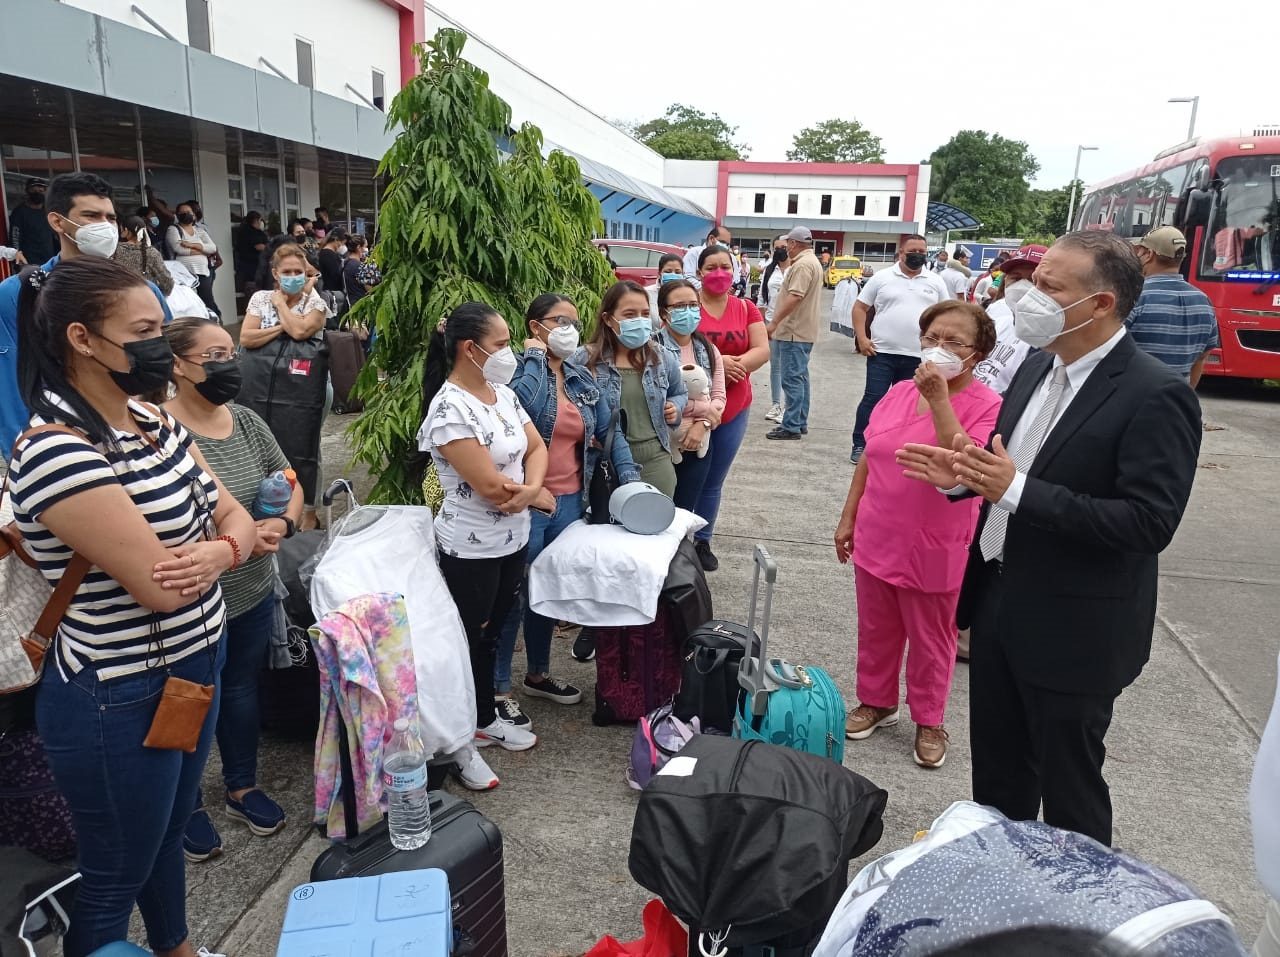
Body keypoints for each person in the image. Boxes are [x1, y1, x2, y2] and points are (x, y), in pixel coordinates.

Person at [896, 230, 1202, 846]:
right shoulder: (1039, 365)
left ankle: (1078, 908)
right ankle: (1003, 884)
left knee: (1069, 791)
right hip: (1000, 604)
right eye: (1033, 282)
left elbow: (1148, 523)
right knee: (999, 777)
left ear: (1099, 305)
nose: (1028, 297)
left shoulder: (1155, 395)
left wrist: (1014, 489)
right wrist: (966, 478)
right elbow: (1010, 463)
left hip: (1076, 628)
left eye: (1049, 287)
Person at [8, 257, 257, 957]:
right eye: (144, 331)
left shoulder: (151, 419)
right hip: (118, 691)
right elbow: (158, 582)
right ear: (83, 339)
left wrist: (222, 552)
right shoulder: (57, 450)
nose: (160, 347)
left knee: (166, 832)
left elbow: (233, 512)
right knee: (116, 865)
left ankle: (174, 946)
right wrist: (223, 547)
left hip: (191, 661)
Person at [834, 301, 1000, 769]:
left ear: (978, 353)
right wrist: (849, 517)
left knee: (932, 637)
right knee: (877, 626)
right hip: (878, 528)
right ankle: (876, 700)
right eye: (932, 339)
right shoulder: (898, 392)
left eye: (954, 342)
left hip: (936, 539)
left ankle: (930, 720)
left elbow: (966, 460)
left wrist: (940, 401)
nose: (939, 349)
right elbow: (870, 453)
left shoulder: (989, 405)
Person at [160, 317, 302, 862]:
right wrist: (229, 539)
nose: (228, 365)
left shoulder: (244, 421)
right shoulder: (161, 432)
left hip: (250, 589)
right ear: (177, 364)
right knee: (188, 698)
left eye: (230, 354)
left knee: (240, 689)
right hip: (192, 599)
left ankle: (241, 787)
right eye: (213, 356)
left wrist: (281, 526)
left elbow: (288, 479)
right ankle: (185, 803)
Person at [418, 302, 553, 784]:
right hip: (470, 548)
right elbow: (492, 488)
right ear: (468, 349)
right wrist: (530, 495)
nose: (508, 353)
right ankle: (459, 741)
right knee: (466, 638)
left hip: (511, 538)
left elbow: (536, 447)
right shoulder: (449, 408)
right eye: (499, 345)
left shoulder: (502, 393)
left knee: (493, 633)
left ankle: (482, 719)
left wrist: (532, 492)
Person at [496, 294, 642, 725]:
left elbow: (607, 431)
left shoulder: (578, 373)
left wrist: (631, 480)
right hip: (527, 501)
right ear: (535, 326)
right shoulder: (519, 375)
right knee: (513, 597)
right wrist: (535, 360)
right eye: (560, 321)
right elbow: (524, 406)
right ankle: (499, 687)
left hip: (569, 501)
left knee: (548, 592)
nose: (570, 330)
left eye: (574, 322)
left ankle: (538, 675)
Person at [1, 172, 174, 461]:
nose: (105, 227)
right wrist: (24, 454)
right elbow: (10, 382)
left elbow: (166, 368)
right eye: (91, 216)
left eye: (110, 217)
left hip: (138, 437)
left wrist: (163, 431)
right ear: (57, 221)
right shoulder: (18, 294)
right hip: (62, 445)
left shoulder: (144, 292)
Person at [690, 245, 769, 571]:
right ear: (699, 273)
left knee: (713, 480)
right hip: (694, 406)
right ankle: (678, 539)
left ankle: (703, 540)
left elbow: (762, 349)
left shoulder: (746, 307)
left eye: (726, 266)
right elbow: (677, 347)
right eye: (712, 267)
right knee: (688, 475)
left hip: (734, 406)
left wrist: (736, 365)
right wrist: (719, 362)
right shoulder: (689, 306)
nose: (719, 272)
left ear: (735, 270)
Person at [241, 243, 328, 530]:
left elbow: (302, 330)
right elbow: (246, 338)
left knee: (305, 444)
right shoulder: (259, 298)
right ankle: (266, 502)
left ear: (307, 274)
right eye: (287, 271)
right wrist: (282, 326)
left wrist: (281, 307)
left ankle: (309, 510)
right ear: (275, 274)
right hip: (262, 385)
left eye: (298, 272)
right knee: (261, 443)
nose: (293, 276)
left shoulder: (317, 302)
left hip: (306, 389)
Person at [581, 281, 687, 496]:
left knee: (654, 525)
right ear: (608, 319)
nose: (639, 320)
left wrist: (675, 407)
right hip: (603, 464)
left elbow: (680, 392)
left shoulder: (662, 357)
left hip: (655, 463)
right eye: (630, 314)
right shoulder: (585, 360)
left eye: (645, 314)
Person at [850, 235, 949, 464]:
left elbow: (946, 314)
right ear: (901, 253)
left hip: (919, 356)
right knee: (873, 398)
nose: (918, 255)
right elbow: (860, 307)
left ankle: (901, 445)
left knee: (913, 404)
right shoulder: (882, 277)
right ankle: (860, 444)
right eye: (913, 250)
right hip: (881, 352)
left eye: (922, 252)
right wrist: (862, 338)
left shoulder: (935, 281)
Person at [656, 279, 726, 511]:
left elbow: (718, 397)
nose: (688, 311)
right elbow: (655, 401)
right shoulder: (650, 348)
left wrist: (703, 423)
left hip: (699, 443)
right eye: (679, 306)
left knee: (685, 511)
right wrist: (702, 408)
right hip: (659, 445)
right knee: (658, 511)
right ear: (663, 312)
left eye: (693, 305)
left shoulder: (707, 348)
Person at [1127, 225, 1219, 387]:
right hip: (1176, 401)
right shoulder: (1203, 301)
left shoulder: (1135, 296)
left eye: (1139, 251)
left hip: (1135, 400)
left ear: (1149, 254)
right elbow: (1201, 357)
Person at [765, 226, 824, 441]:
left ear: (793, 243)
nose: (785, 249)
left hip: (793, 331)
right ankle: (799, 421)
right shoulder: (812, 262)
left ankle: (791, 425)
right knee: (800, 378)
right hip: (802, 331)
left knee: (791, 379)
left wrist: (774, 323)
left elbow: (794, 297)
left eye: (786, 244)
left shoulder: (802, 265)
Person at [972, 244, 1045, 395]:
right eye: (1016, 278)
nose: (1022, 286)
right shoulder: (999, 324)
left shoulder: (1048, 343)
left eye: (1033, 279)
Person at [166, 202, 219, 319]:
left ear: (194, 215)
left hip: (203, 272)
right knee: (190, 303)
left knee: (207, 301)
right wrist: (202, 250)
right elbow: (179, 249)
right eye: (182, 213)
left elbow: (213, 248)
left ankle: (213, 324)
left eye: (188, 212)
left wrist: (191, 245)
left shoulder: (200, 231)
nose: (186, 215)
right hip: (184, 275)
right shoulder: (173, 229)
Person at [758, 238, 789, 422]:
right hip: (771, 324)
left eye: (783, 248)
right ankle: (776, 404)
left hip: (791, 326)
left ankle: (789, 407)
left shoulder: (796, 269)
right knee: (775, 367)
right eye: (776, 248)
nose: (780, 251)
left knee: (790, 369)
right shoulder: (769, 270)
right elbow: (762, 300)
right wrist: (763, 325)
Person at [112, 215, 174, 296]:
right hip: (146, 297)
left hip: (120, 297)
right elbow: (167, 283)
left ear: (126, 230)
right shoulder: (152, 253)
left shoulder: (114, 250)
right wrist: (159, 296)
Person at [8, 177, 57, 266]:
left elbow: (55, 236)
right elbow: (15, 238)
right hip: (29, 264)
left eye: (41, 190)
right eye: (33, 190)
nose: (37, 192)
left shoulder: (48, 211)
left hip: (50, 261)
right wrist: (17, 259)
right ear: (27, 191)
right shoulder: (19, 212)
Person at [646, 252, 684, 326]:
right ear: (659, 273)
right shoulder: (647, 294)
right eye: (668, 272)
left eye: (677, 272)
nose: (673, 275)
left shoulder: (688, 296)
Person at [234, 210, 270, 290]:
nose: (261, 222)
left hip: (255, 266)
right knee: (253, 289)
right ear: (255, 220)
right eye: (260, 220)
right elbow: (259, 246)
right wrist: (267, 247)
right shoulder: (248, 232)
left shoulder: (257, 232)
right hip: (251, 268)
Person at [317, 227, 349, 295]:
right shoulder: (327, 254)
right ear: (336, 240)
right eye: (342, 243)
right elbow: (335, 274)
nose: (342, 246)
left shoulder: (332, 253)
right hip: (332, 292)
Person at [342, 235, 372, 305]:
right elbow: (369, 289)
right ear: (358, 247)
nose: (366, 249)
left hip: (351, 302)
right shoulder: (358, 266)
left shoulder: (346, 262)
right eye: (365, 246)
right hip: (361, 303)